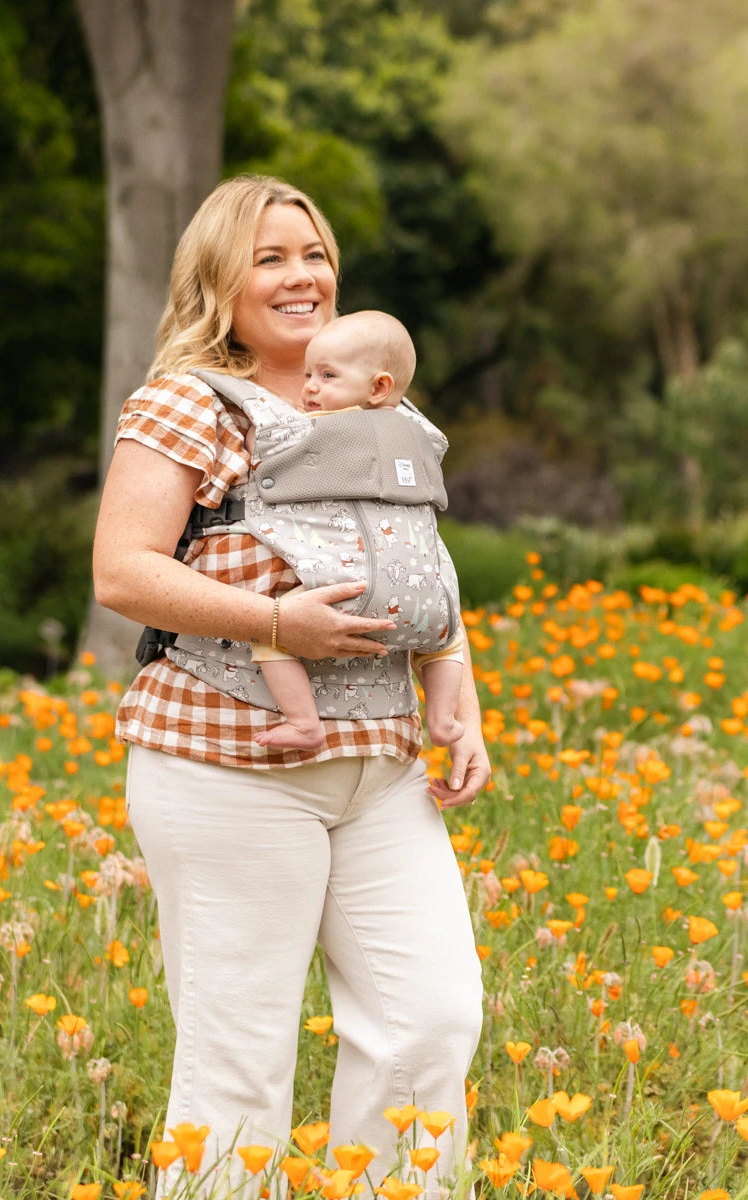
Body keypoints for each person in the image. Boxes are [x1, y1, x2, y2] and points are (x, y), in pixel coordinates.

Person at [92, 175, 489, 1195]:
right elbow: (122, 570)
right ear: (219, 280)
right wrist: (275, 623)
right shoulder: (187, 400)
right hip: (229, 762)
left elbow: (416, 564)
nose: (301, 275)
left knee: (430, 1022)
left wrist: (457, 683)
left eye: (313, 254)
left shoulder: (379, 402)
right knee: (239, 1060)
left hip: (381, 770)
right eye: (269, 258)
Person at [249, 309, 466, 753]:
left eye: (327, 375)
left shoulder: (316, 431)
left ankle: (304, 722)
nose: (310, 386)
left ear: (379, 387)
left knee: (268, 631)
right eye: (309, 374)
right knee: (448, 639)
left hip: (345, 595)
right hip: (425, 598)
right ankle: (443, 720)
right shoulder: (419, 435)